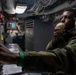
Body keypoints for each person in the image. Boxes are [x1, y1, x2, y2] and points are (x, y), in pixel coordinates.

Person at [0, 8, 76, 74]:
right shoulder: (64, 35)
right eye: (62, 17)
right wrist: (56, 38)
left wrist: (19, 58)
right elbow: (48, 50)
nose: (62, 20)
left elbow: (66, 57)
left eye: (67, 17)